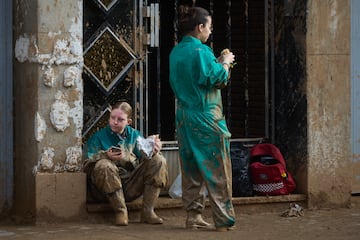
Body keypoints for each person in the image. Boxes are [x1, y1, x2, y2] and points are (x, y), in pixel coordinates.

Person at [169, 7, 236, 232]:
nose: (210, 30)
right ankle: (223, 219)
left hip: (185, 117)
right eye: (209, 26)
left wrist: (215, 61)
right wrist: (225, 62)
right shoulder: (201, 50)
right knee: (217, 169)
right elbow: (217, 79)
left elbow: (196, 77)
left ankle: (193, 215)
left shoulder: (176, 52)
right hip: (207, 116)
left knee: (191, 169)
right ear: (200, 27)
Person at [83, 101, 168, 226]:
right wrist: (105, 155)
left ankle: (148, 211)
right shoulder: (98, 137)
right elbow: (85, 165)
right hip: (104, 190)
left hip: (129, 184)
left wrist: (153, 147)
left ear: (128, 122)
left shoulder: (135, 136)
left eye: (120, 119)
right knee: (105, 165)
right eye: (112, 118)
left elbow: (145, 160)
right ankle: (121, 211)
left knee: (159, 160)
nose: (115, 122)